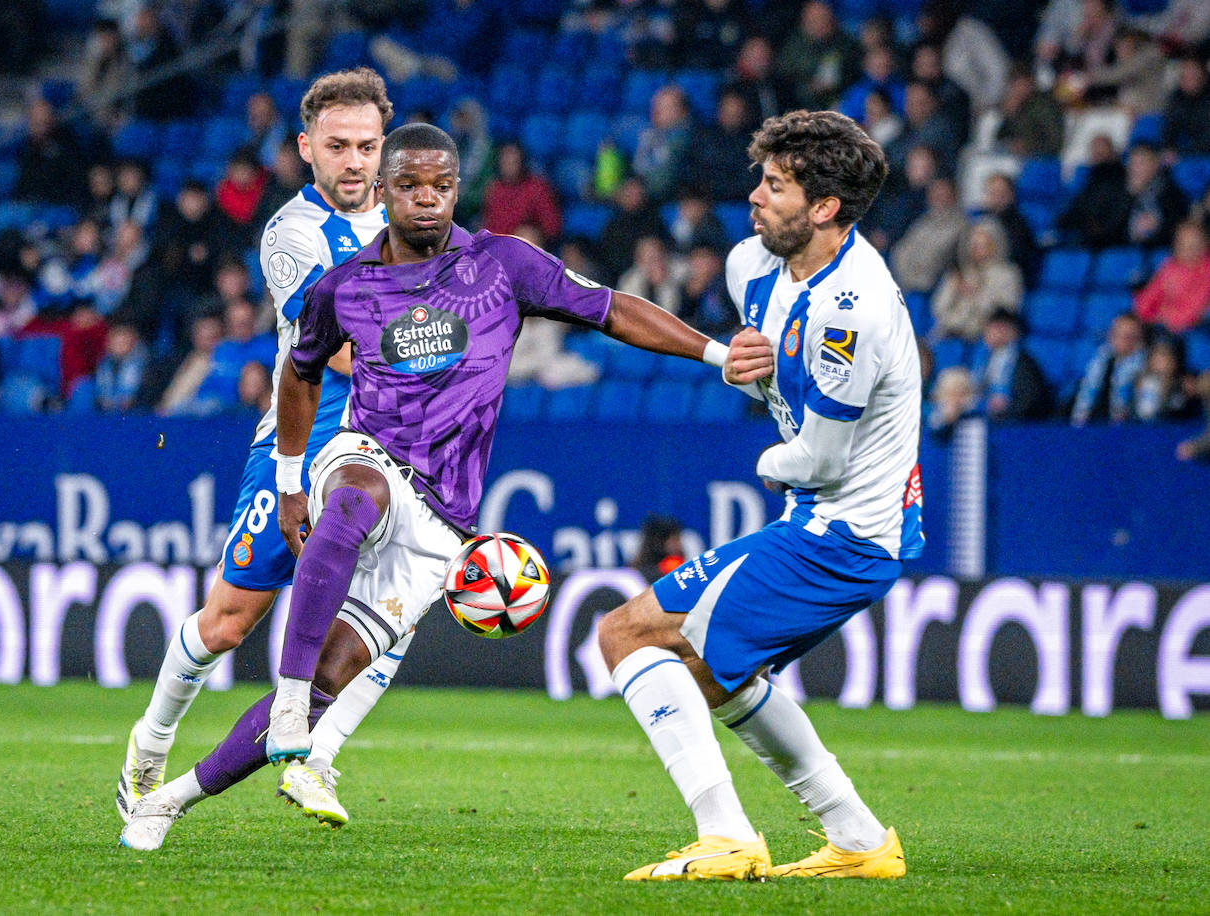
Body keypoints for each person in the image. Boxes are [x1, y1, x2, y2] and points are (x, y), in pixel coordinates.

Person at [119, 120, 764, 852]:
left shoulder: (505, 265)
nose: (428, 200)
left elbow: (610, 308)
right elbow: (300, 374)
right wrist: (295, 480)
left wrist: (716, 353)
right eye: (411, 186)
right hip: (364, 452)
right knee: (358, 495)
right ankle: (294, 705)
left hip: (441, 516)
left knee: (340, 671)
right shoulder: (348, 286)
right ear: (385, 192)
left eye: (442, 187)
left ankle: (171, 799)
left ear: (459, 189)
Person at [597, 109, 920, 882]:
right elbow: (767, 372)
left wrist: (769, 452)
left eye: (776, 187)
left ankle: (726, 836)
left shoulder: (856, 311)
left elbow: (817, 457)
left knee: (626, 634)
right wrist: (747, 365)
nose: (756, 197)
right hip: (821, 523)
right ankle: (859, 840)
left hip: (842, 536)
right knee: (713, 672)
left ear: (824, 209)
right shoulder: (752, 266)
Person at [117, 67, 407, 834]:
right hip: (307, 432)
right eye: (338, 146)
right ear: (306, 148)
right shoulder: (292, 235)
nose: (354, 161)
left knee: (394, 611)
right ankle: (152, 736)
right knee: (229, 623)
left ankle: (315, 751)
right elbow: (340, 352)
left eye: (367, 146)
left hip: (390, 445)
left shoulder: (416, 220)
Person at [970, 309, 1052, 422]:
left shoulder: (1024, 362)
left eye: (993, 328)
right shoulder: (985, 359)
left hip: (1014, 423)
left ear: (1010, 331)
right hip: (986, 418)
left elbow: (1029, 398)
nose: (987, 333)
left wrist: (1007, 407)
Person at [1134, 220, 1210, 333]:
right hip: (1161, 329)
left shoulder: (1207, 271)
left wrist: (1163, 315)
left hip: (1193, 333)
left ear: (1205, 245)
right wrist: (1158, 318)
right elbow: (1143, 305)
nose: (1186, 250)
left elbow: (1191, 313)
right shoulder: (1170, 266)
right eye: (1182, 244)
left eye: (1193, 245)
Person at [1072, 312, 1147, 425]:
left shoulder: (1145, 365)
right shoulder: (1101, 359)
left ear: (1139, 339)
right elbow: (1086, 396)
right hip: (1097, 424)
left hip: (1131, 428)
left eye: (1128, 336)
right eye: (1118, 334)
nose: (1122, 340)